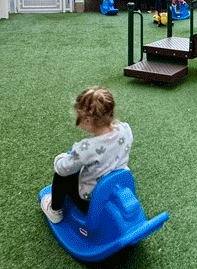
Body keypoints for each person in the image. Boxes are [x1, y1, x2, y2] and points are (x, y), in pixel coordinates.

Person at [40, 87, 133, 224]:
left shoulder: (86, 148)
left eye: (80, 118)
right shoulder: (125, 129)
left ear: (88, 120)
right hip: (114, 188)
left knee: (61, 175)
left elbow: (63, 168)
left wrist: (60, 159)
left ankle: (55, 211)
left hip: (90, 201)